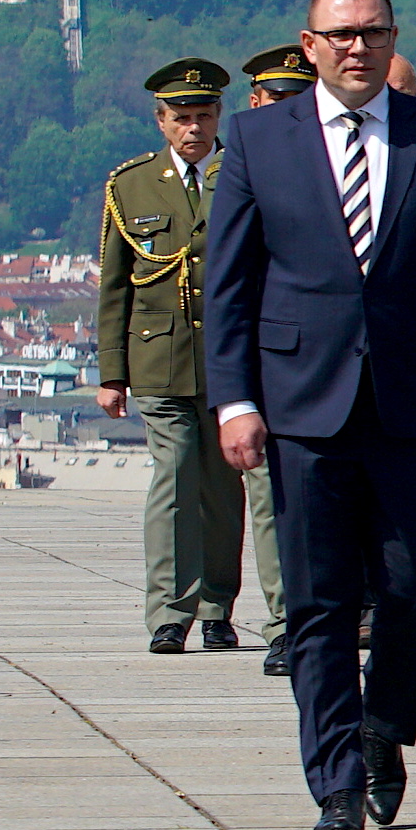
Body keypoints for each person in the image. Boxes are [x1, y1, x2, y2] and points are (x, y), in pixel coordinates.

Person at [204, 0, 416, 830]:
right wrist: (233, 401)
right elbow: (228, 289)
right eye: (339, 34)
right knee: (319, 600)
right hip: (300, 403)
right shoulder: (259, 139)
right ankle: (336, 778)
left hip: (411, 401)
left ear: (390, 40)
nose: (355, 48)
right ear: (309, 46)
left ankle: (384, 727)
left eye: (371, 33)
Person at [98, 57, 243, 653]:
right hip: (158, 358)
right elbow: (112, 286)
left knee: (223, 487)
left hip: (228, 357)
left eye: (203, 116)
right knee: (176, 473)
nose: (193, 129)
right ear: (160, 121)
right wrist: (111, 373)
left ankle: (217, 604)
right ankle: (168, 610)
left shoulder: (241, 172)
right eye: (181, 118)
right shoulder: (130, 186)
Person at [233, 42, 318, 676]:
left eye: (298, 95)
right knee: (272, 499)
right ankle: (285, 620)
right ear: (258, 101)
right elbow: (230, 279)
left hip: (340, 354)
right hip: (274, 354)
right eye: (276, 98)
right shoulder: (247, 154)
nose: (287, 109)